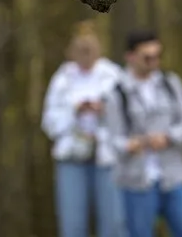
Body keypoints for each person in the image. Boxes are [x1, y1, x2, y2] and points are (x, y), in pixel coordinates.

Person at [105, 30, 182, 237]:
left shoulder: (170, 83)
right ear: (130, 56)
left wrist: (168, 138)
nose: (153, 62)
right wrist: (131, 145)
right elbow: (113, 140)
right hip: (136, 182)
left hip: (173, 177)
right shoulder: (116, 93)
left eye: (157, 56)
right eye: (147, 57)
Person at [41, 20, 126, 237]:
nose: (86, 53)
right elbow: (49, 122)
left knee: (113, 222)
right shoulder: (62, 78)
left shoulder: (113, 75)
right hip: (71, 157)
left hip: (106, 158)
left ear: (99, 48)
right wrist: (75, 111)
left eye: (90, 48)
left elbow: (126, 118)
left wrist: (104, 110)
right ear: (71, 50)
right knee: (73, 224)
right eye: (81, 49)